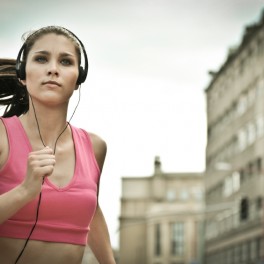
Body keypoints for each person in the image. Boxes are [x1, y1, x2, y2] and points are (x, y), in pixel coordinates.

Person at [0, 26, 116, 264]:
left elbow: (91, 211)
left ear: (78, 79)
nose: (53, 69)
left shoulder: (94, 147)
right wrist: (24, 191)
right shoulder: (1, 135)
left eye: (65, 61)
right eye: (41, 59)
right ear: (22, 73)